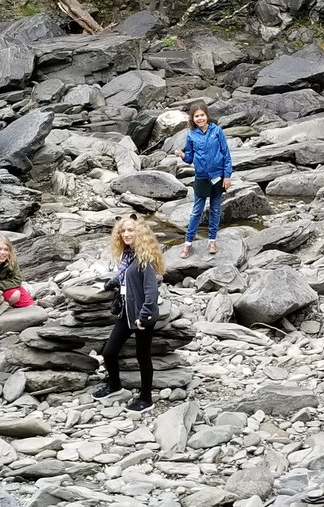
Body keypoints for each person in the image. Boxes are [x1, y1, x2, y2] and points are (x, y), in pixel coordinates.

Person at [92, 214, 162, 413]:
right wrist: (109, 284)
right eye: (123, 231)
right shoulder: (128, 255)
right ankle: (115, 386)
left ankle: (146, 399)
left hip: (142, 317)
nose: (126, 234)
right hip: (126, 312)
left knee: (143, 357)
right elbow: (123, 277)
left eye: (131, 230)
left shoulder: (145, 259)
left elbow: (151, 292)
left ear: (140, 232)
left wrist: (144, 317)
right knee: (109, 352)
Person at [172, 101, 233, 257]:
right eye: (196, 116)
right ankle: (188, 243)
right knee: (196, 212)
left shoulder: (217, 131)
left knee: (215, 210)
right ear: (192, 118)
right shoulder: (192, 135)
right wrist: (181, 155)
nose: (200, 118)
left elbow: (226, 155)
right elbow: (190, 158)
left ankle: (212, 240)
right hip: (201, 177)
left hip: (218, 176)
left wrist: (227, 176)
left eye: (202, 115)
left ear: (207, 115)